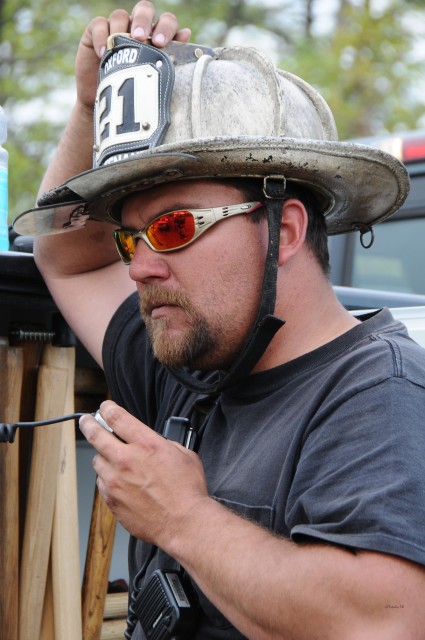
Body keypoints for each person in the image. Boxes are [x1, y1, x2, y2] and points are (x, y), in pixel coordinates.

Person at [14, 2, 425, 638]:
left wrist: (181, 517)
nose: (140, 268)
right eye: (130, 239)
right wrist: (89, 106)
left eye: (174, 227)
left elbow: (381, 624)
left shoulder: (378, 393)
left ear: (283, 231)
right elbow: (67, 256)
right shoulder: (187, 366)